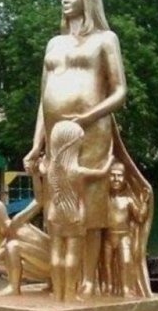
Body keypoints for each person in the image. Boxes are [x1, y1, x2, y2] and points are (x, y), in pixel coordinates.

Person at [23, 0, 152, 297]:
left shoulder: (106, 39)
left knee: (91, 203)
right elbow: (43, 100)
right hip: (57, 134)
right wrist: (37, 144)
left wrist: (89, 116)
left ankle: (90, 279)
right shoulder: (54, 44)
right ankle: (62, 276)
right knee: (59, 200)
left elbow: (119, 92)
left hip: (93, 130)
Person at [44, 120, 113, 301]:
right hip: (73, 214)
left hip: (54, 214)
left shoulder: (50, 168)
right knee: (72, 254)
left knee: (56, 253)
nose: (82, 143)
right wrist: (110, 159)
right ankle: (70, 294)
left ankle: (58, 294)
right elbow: (102, 172)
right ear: (72, 143)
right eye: (80, 140)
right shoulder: (77, 171)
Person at [104, 160, 149, 297]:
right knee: (106, 265)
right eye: (112, 175)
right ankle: (108, 289)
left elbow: (140, 217)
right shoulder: (103, 199)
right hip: (107, 237)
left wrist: (144, 202)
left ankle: (125, 289)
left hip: (124, 237)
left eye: (119, 175)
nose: (116, 179)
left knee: (125, 262)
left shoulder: (128, 200)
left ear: (124, 178)